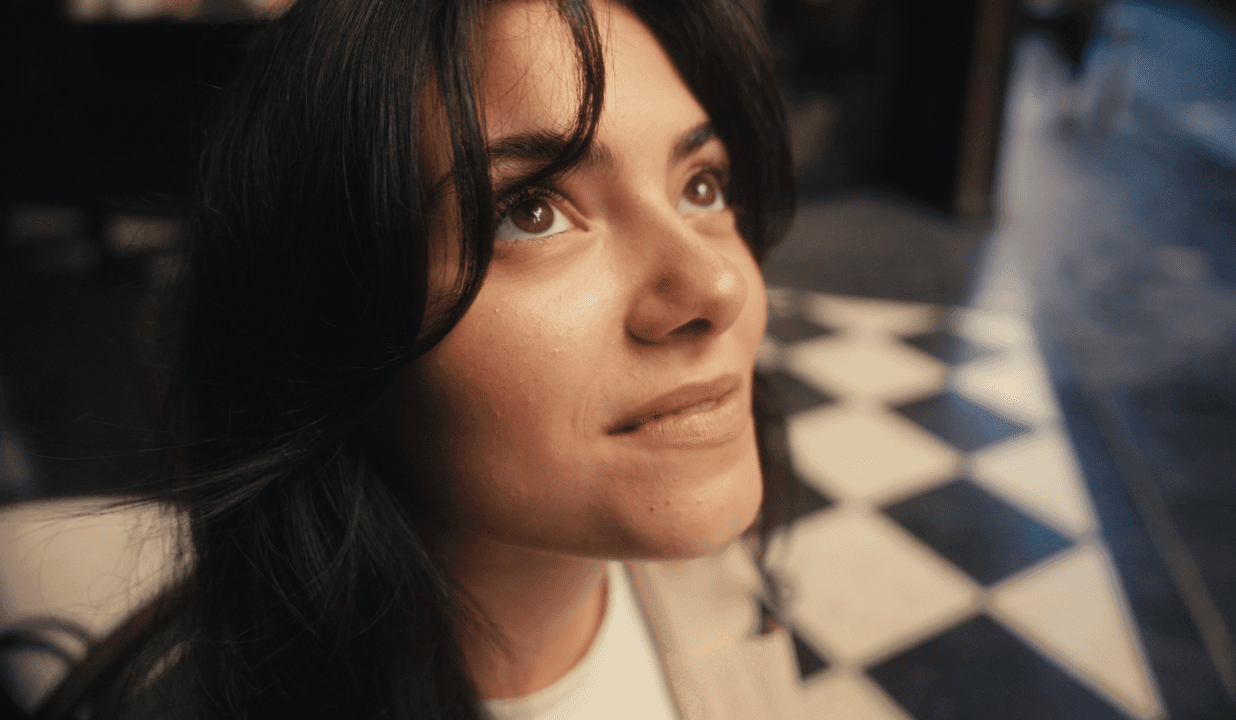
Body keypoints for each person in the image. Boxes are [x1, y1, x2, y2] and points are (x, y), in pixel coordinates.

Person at [33, 0, 800, 717]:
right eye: (530, 211)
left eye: (701, 186)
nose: (718, 285)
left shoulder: (720, 583)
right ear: (327, 335)